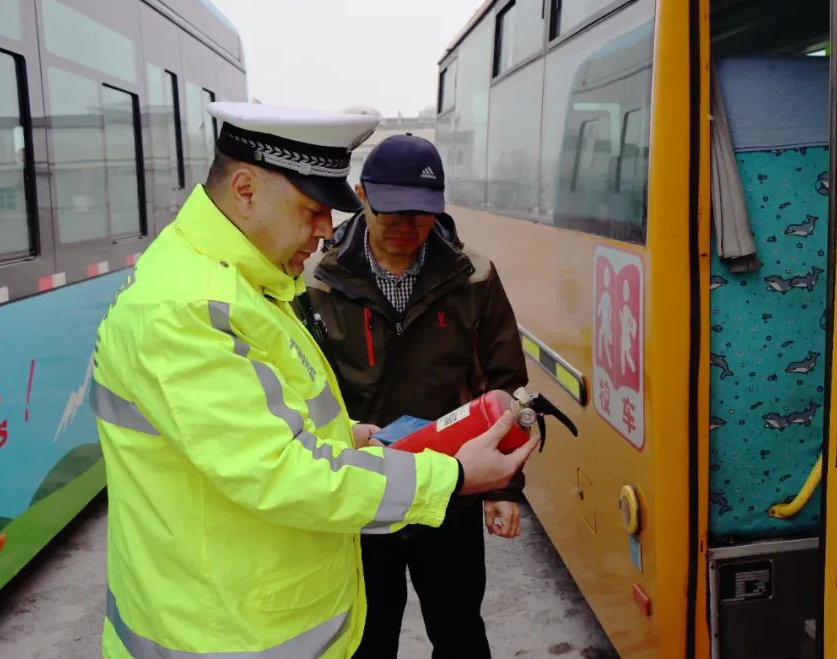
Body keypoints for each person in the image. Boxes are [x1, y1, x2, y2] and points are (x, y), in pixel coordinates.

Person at [90, 103, 538, 659]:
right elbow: (276, 471)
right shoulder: (190, 309)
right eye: (312, 208)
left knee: (457, 627)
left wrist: (346, 435)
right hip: (224, 630)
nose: (327, 228)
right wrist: (451, 475)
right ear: (246, 191)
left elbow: (256, 422)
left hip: (294, 564)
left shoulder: (250, 285)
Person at [303, 133, 528, 659]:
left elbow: (505, 383)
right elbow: (301, 389)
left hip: (452, 485)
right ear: (362, 196)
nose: (408, 226)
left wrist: (503, 487)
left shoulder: (474, 276)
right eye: (393, 212)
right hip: (363, 489)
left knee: (460, 632)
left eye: (422, 214)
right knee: (367, 639)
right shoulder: (316, 280)